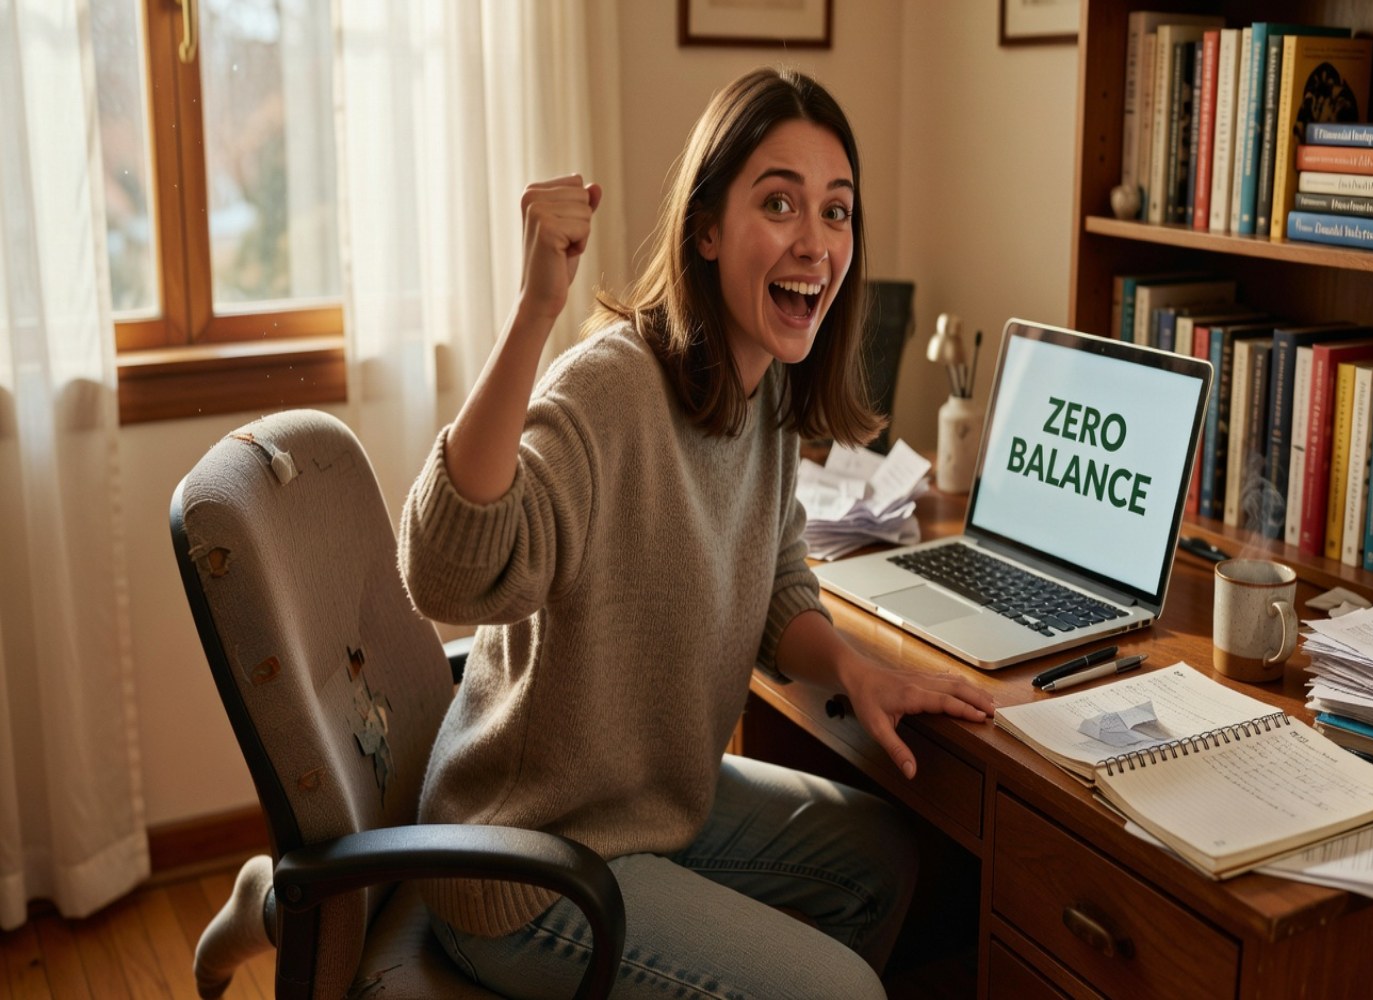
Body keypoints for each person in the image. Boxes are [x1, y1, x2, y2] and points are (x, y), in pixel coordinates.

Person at [195, 66, 996, 1000]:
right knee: (841, 992)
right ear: (706, 229)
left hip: (652, 807)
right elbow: (447, 571)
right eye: (779, 203)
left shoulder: (769, 391)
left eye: (837, 211)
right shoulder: (613, 388)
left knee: (887, 859)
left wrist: (857, 672)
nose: (814, 242)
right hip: (528, 866)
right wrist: (535, 309)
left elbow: (778, 583)